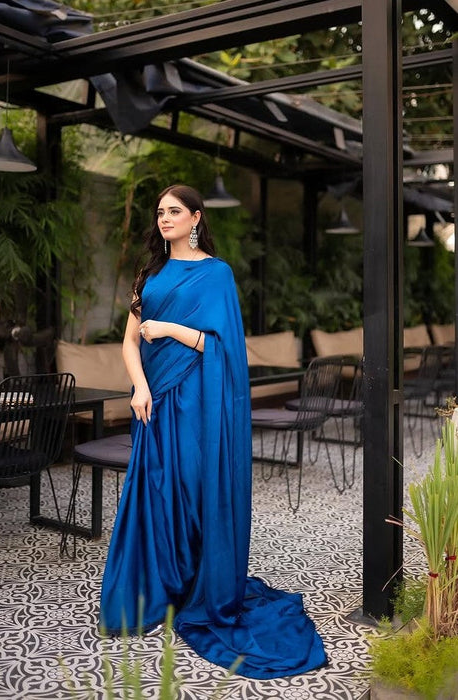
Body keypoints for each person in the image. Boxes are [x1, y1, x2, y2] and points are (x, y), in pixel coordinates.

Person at [100, 184, 327, 679]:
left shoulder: (216, 274)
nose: (164, 219)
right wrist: (139, 388)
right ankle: (160, 590)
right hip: (152, 400)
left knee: (190, 486)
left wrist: (170, 329)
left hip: (196, 402)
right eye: (160, 212)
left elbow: (223, 347)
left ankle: (196, 585)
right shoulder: (149, 274)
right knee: (156, 491)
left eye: (174, 211)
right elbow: (129, 343)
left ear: (196, 218)